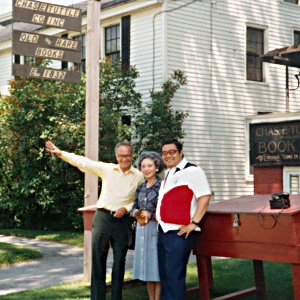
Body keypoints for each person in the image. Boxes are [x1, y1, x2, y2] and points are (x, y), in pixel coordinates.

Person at [45, 140, 143, 300]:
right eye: (121, 156)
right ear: (116, 156)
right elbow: (84, 163)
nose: (124, 159)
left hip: (123, 221)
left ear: (132, 156)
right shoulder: (108, 169)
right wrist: (61, 153)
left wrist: (126, 208)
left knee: (119, 262)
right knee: (98, 259)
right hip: (103, 217)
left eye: (127, 156)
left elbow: (139, 200)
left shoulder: (139, 176)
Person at [156, 139, 211, 300]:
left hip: (178, 234)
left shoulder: (193, 171)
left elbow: (204, 197)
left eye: (172, 152)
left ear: (180, 152)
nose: (168, 156)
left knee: (174, 278)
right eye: (164, 153)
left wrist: (194, 223)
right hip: (163, 231)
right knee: (165, 278)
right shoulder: (169, 172)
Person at [130, 151, 163, 300]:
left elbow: (166, 209)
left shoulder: (162, 186)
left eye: (150, 165)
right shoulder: (140, 187)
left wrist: (152, 214)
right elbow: (133, 207)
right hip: (141, 231)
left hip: (156, 230)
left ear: (157, 167)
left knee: (157, 269)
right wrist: (136, 213)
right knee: (148, 270)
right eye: (143, 166)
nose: (146, 169)